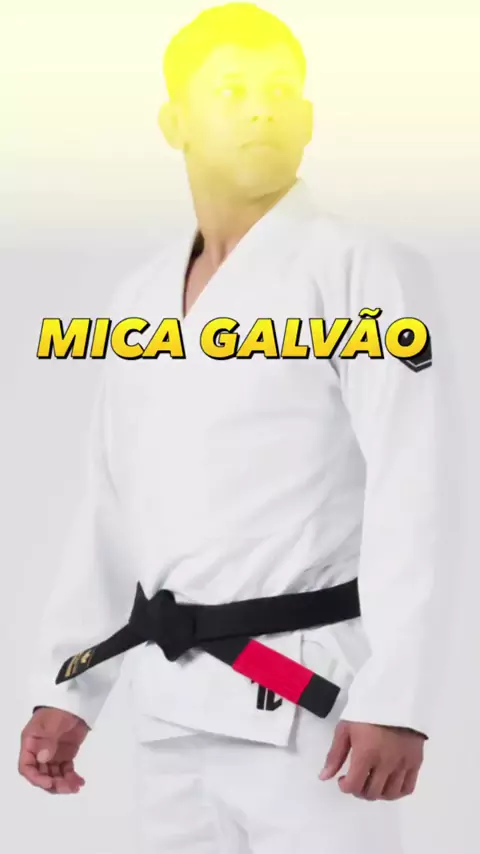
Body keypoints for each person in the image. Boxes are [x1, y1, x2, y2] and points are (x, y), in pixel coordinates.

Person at [19, 4, 452, 852]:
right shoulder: (140, 301)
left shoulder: (361, 269)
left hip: (313, 709)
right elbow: (111, 506)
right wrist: (69, 684)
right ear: (174, 123)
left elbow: (419, 484)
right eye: (232, 92)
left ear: (310, 119)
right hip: (169, 710)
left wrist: (399, 698)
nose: (263, 109)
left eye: (282, 91)